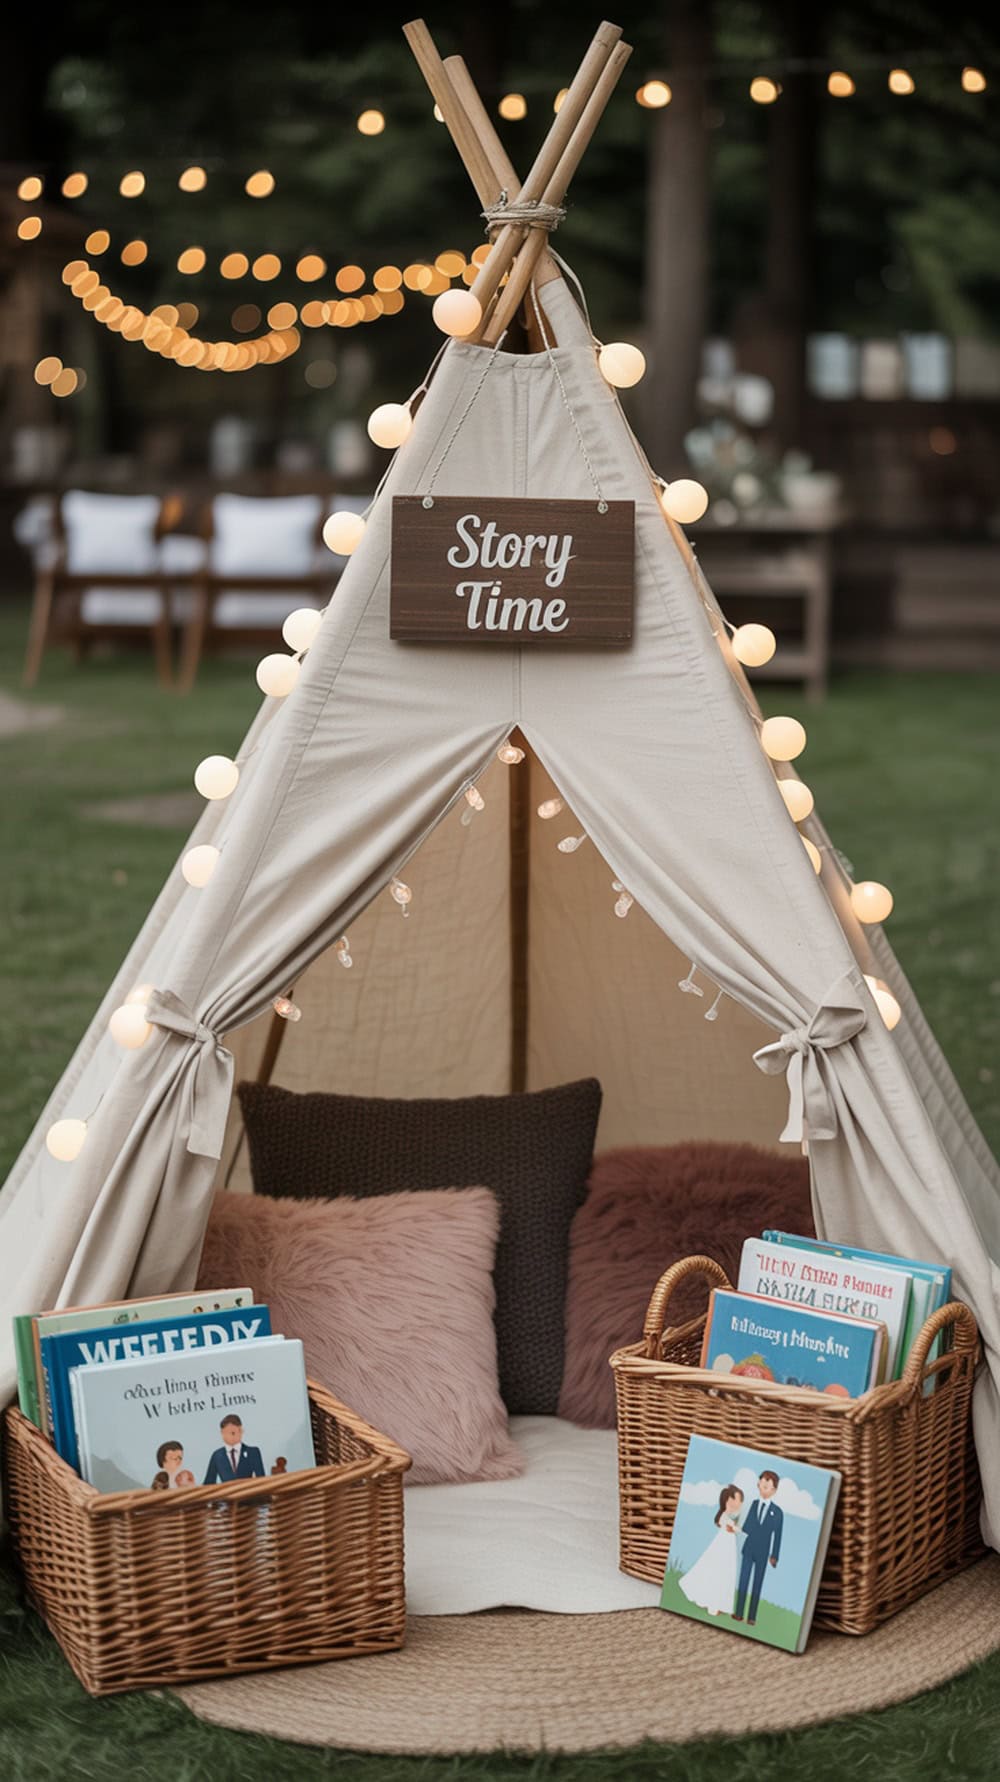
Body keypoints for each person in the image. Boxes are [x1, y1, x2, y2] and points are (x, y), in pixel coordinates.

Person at [678, 1485, 744, 1615]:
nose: (739, 1503)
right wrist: (737, 1528)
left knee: (724, 1572)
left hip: (728, 1545)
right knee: (718, 1571)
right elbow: (731, 1528)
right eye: (738, 1500)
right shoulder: (725, 1517)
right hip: (723, 1545)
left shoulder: (728, 1517)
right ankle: (712, 1604)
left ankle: (718, 1604)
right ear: (729, 1500)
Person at [733, 1470, 784, 1626]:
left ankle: (752, 1617)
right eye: (762, 1485)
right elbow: (748, 1525)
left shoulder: (778, 1513)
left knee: (757, 1583)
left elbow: (778, 1535)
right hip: (749, 1548)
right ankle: (739, 1613)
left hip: (763, 1552)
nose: (764, 1488)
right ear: (758, 1485)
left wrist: (774, 1555)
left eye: (767, 1486)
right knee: (743, 1580)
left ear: (774, 1490)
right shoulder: (754, 1504)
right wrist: (736, 1527)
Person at [203, 1413, 265, 1484]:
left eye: (233, 1433)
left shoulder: (253, 1452)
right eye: (225, 1433)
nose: (229, 1436)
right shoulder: (217, 1456)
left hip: (249, 1490)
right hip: (227, 1491)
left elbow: (261, 1479)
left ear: (241, 1431)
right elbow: (208, 1483)